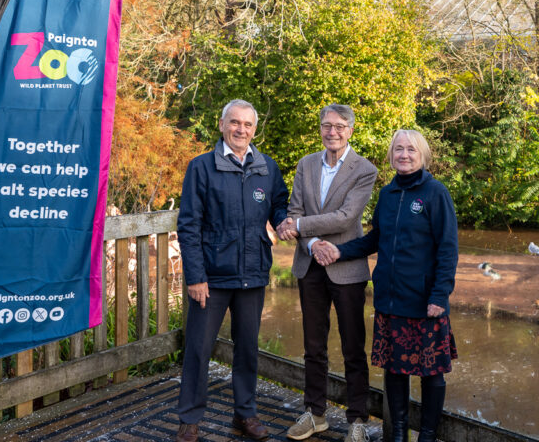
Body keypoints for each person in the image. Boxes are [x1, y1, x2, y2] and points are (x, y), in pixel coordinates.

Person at [315, 129, 458, 442]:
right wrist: (340, 250)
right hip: (390, 300)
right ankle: (397, 435)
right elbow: (374, 239)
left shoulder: (436, 193)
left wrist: (439, 294)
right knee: (395, 372)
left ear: (423, 155)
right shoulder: (388, 194)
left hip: (425, 302)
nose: (404, 155)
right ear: (391, 155)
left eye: (410, 150)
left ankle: (428, 436)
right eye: (398, 149)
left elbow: (448, 249)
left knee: (432, 373)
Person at [175, 99, 289, 442]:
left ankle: (245, 415)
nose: (241, 130)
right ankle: (190, 419)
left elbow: (279, 205)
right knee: (198, 348)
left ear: (255, 130)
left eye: (248, 125)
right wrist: (195, 276)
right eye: (235, 123)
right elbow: (189, 225)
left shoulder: (267, 168)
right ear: (222, 125)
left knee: (247, 349)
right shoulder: (202, 167)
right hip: (212, 277)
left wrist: (283, 223)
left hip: (253, 274)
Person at [276, 104, 378, 442]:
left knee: (353, 346)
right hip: (310, 264)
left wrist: (303, 227)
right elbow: (294, 209)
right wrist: (314, 242)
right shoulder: (305, 164)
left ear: (351, 130)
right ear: (320, 128)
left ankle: (357, 420)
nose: (332, 132)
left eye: (339, 126)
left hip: (346, 269)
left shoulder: (364, 169)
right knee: (313, 345)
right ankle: (315, 413)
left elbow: (347, 217)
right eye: (326, 125)